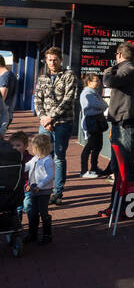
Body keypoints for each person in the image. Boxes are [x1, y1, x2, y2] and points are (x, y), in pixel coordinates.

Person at [33, 47, 79, 206]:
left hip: (63, 122)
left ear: (61, 60)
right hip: (44, 122)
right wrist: (43, 118)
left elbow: (68, 100)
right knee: (43, 156)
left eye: (55, 59)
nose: (52, 62)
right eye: (49, 60)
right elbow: (37, 100)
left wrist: (51, 117)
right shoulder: (42, 78)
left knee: (59, 157)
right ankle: (42, 190)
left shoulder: (69, 76)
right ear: (46, 61)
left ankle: (57, 192)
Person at [101, 42, 134, 218]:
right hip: (123, 123)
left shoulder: (128, 69)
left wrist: (109, 70)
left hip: (125, 123)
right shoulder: (130, 69)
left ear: (119, 54)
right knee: (122, 167)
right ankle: (126, 207)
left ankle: (125, 208)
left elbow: (108, 81)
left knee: (123, 168)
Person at [25, 132, 56, 245]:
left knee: (43, 212)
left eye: (34, 148)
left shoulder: (48, 160)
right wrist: (18, 168)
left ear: (40, 148)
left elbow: (50, 175)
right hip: (34, 189)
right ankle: (32, 234)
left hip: (43, 191)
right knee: (33, 213)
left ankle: (47, 235)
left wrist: (40, 186)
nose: (33, 150)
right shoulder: (36, 158)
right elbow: (27, 166)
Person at [80, 73, 109, 178]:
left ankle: (94, 168)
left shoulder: (94, 93)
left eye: (98, 81)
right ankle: (84, 170)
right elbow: (98, 104)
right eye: (96, 81)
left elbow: (102, 104)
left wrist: (102, 105)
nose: (98, 83)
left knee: (98, 146)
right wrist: (103, 105)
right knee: (90, 145)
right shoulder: (87, 93)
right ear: (89, 82)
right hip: (91, 122)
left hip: (97, 121)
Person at [0, 55, 18, 135]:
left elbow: (2, 97)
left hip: (2, 115)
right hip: (7, 113)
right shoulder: (10, 74)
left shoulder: (5, 77)